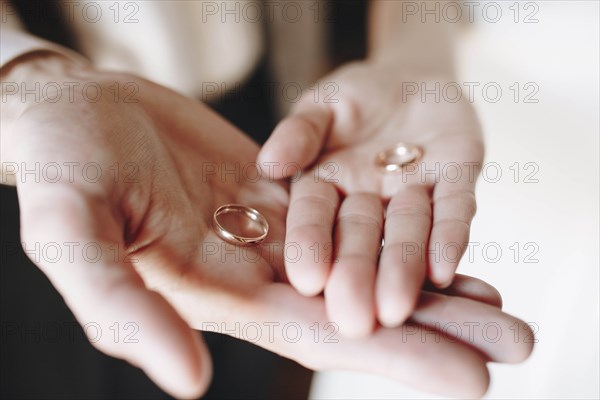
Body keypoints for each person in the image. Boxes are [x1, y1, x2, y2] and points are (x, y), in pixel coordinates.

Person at [0, 1, 533, 398]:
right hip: (52, 150)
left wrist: (414, 55)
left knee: (253, 358)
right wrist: (29, 80)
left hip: (274, 127)